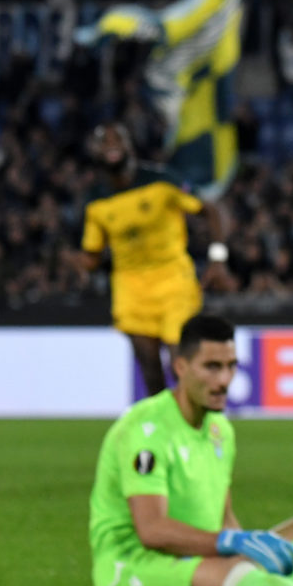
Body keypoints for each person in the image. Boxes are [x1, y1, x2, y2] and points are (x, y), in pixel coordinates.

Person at [88, 314, 293, 586]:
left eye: (230, 366)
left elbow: (223, 519)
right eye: (212, 367)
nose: (224, 380)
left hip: (203, 564)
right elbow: (152, 531)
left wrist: (252, 550)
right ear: (181, 367)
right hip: (136, 569)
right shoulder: (145, 429)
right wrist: (233, 543)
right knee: (235, 574)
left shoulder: (220, 431)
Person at [77, 121, 234, 397]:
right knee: (150, 370)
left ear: (129, 145)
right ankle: (165, 434)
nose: (111, 144)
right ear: (95, 152)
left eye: (118, 138)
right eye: (104, 140)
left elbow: (210, 210)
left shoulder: (161, 180)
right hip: (131, 288)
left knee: (181, 364)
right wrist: (76, 261)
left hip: (173, 280)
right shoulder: (95, 201)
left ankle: (196, 429)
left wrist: (217, 259)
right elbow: (92, 255)